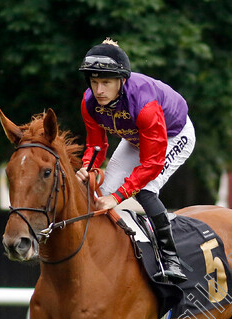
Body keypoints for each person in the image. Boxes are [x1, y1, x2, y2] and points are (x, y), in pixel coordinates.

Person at [76, 38, 194, 284]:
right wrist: (88, 169)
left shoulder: (144, 104)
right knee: (100, 195)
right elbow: (96, 146)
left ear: (122, 80)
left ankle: (171, 258)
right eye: (95, 82)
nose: (99, 91)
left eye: (106, 82)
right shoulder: (89, 103)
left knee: (145, 191)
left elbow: (152, 163)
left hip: (173, 135)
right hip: (135, 138)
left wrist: (119, 197)